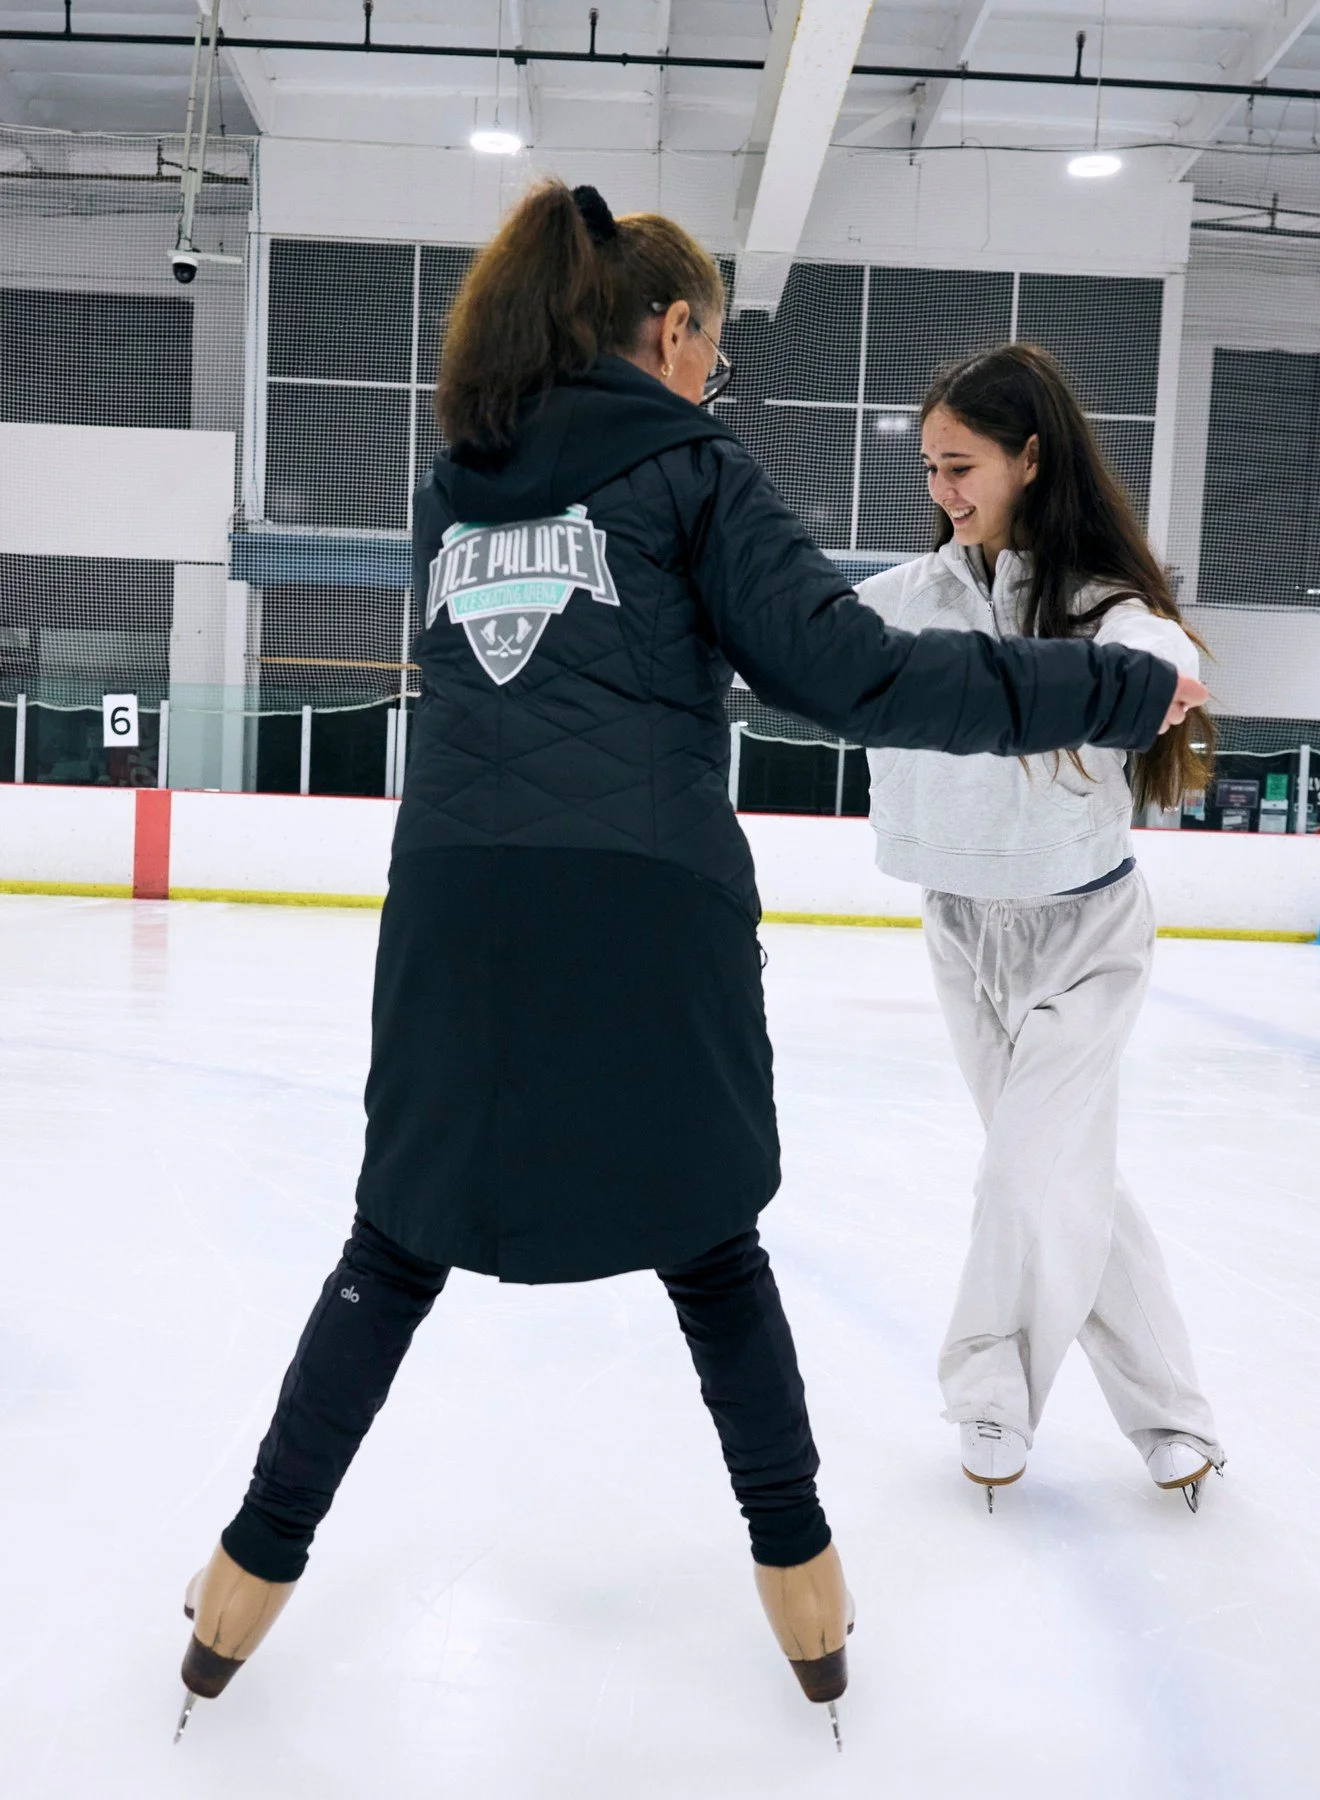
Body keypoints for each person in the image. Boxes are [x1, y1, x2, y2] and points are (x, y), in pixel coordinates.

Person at [175, 193, 1205, 1745]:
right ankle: (804, 1592)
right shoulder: (693, 465)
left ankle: (238, 1587)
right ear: (670, 333)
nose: (712, 382)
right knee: (712, 1254)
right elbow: (851, 672)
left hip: (449, 906)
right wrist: (1120, 687)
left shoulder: (451, 488)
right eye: (711, 349)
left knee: (393, 1250)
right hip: (644, 905)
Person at [858, 343, 1225, 1513]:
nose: (943, 492)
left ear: (1030, 457)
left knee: (1026, 1172)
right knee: (1072, 1181)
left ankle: (988, 1389)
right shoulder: (909, 600)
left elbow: (1161, 655)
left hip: (1086, 936)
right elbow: (800, 636)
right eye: (929, 470)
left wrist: (1155, 666)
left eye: (961, 466)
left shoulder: (1103, 610)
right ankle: (1173, 1418)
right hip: (965, 933)